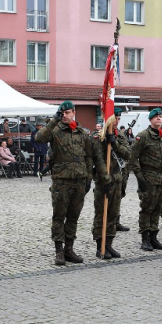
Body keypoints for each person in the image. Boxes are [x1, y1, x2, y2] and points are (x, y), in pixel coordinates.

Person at [35, 101, 93, 265]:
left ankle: (69, 249)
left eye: (68, 112)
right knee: (59, 216)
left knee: (73, 217)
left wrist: (88, 178)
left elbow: (88, 157)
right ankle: (59, 251)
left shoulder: (82, 132)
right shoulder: (55, 130)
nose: (66, 115)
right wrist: (54, 120)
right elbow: (39, 138)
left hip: (79, 181)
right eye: (63, 113)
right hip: (61, 181)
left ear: (74, 112)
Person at [90, 114, 131, 259]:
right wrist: (104, 179)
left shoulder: (120, 136)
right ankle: (100, 246)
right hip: (103, 181)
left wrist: (115, 144)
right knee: (102, 214)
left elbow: (127, 154)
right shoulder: (98, 137)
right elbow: (97, 159)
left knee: (113, 213)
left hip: (117, 179)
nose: (116, 122)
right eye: (114, 118)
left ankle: (109, 244)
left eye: (118, 119)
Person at [131, 108, 162, 252]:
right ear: (151, 120)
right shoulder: (143, 137)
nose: (159, 119)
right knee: (147, 208)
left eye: (161, 116)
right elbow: (133, 158)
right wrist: (140, 178)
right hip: (148, 177)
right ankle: (145, 238)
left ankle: (154, 236)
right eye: (156, 117)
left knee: (158, 208)